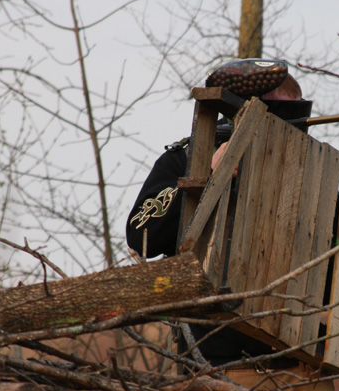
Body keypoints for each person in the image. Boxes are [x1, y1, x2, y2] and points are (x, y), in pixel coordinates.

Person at [126, 62, 314, 369]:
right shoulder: (184, 160)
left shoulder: (310, 173)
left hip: (294, 357)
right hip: (210, 356)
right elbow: (141, 236)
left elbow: (337, 257)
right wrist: (207, 176)